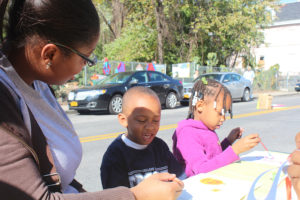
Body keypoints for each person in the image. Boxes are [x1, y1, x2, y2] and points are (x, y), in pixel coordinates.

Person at [0, 0, 183, 199]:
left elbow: (61, 179)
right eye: (85, 58)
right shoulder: (5, 101)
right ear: (50, 54)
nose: (84, 67)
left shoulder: (39, 85)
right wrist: (135, 195)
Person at [172, 78, 261, 177]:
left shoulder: (207, 129)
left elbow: (213, 156)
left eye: (225, 113)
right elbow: (201, 170)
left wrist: (229, 141)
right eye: (220, 113)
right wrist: (235, 150)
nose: (223, 118)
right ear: (200, 106)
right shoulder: (188, 134)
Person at [101, 86, 185, 189]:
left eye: (156, 120)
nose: (150, 127)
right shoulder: (115, 156)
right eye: (141, 120)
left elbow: (180, 177)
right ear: (123, 120)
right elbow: (115, 195)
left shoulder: (160, 147)